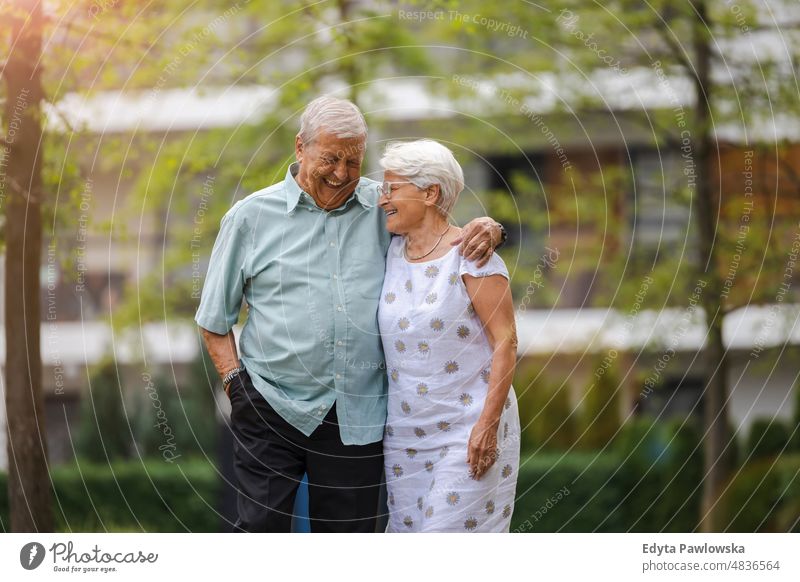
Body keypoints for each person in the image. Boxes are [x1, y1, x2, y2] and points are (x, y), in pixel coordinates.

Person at [195, 96, 506, 533]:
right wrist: (237, 387)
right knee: (259, 534)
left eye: (353, 161)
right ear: (300, 147)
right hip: (270, 404)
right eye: (330, 159)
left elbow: (436, 225)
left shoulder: (382, 208)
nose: (341, 174)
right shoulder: (248, 218)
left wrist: (490, 227)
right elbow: (213, 320)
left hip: (357, 416)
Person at [377, 139, 520, 532]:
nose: (381, 199)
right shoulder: (387, 250)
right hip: (405, 439)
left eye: (392, 188)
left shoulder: (473, 256)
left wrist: (487, 427)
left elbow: (506, 343)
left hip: (467, 432)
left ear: (430, 192)